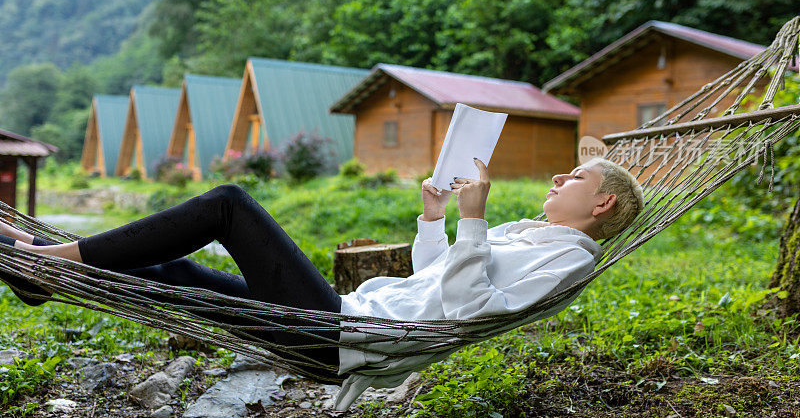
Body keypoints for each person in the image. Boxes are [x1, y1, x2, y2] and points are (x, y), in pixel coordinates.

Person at [0, 156, 644, 410]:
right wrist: (436, 218)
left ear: (603, 205)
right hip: (342, 318)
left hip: (341, 335)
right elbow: (434, 277)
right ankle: (41, 275)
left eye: (575, 179)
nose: (559, 181)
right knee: (177, 276)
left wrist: (474, 222)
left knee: (229, 205)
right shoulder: (528, 235)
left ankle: (54, 258)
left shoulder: (569, 262)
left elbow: (468, 308)